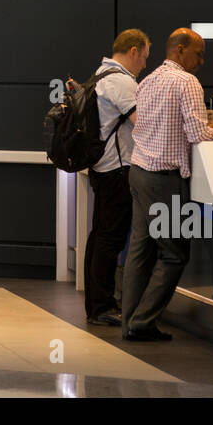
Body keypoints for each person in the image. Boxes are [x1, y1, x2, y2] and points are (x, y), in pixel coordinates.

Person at [120, 28, 213, 342]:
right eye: (198, 53)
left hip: (139, 171)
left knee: (140, 251)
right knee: (174, 253)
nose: (202, 60)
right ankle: (142, 322)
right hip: (164, 180)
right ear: (180, 50)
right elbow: (197, 133)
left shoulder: (148, 79)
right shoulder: (186, 82)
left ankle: (131, 321)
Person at [83, 28, 150, 327]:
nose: (145, 65)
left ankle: (97, 304)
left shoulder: (100, 75)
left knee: (100, 236)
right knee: (109, 239)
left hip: (102, 167)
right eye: (144, 57)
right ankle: (102, 306)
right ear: (133, 51)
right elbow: (144, 122)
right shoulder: (121, 82)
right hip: (117, 169)